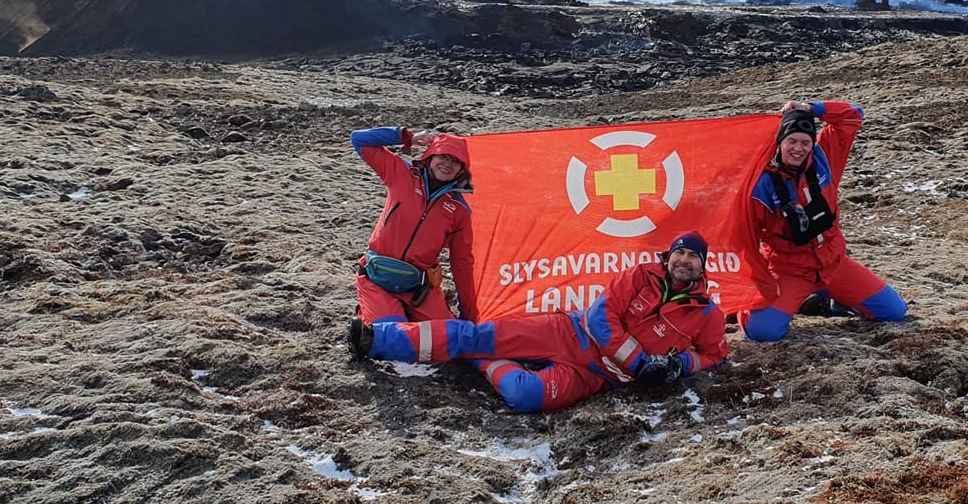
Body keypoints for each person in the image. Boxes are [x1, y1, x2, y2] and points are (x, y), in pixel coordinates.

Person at [348, 232, 729, 413]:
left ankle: (482, 359)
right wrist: (640, 365)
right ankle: (378, 340)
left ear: (702, 265)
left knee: (526, 397)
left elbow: (715, 353)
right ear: (668, 257)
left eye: (693, 257)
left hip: (597, 376)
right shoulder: (637, 276)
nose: (684, 261)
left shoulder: (707, 313)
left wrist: (680, 365)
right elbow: (601, 317)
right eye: (679, 253)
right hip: (567, 330)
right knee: (474, 333)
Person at [741, 100, 907, 341]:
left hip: (834, 264)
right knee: (760, 332)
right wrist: (753, 286)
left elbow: (853, 116)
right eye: (792, 141)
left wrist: (813, 108)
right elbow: (745, 238)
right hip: (790, 272)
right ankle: (751, 307)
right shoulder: (759, 185)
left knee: (894, 312)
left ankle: (835, 300)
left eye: (805, 142)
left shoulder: (825, 158)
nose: (798, 149)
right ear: (780, 142)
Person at [348, 125, 478, 325]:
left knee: (445, 336)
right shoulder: (402, 173)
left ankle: (390, 314)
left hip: (418, 286)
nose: (447, 164)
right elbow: (359, 138)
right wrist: (406, 137)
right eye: (443, 156)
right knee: (391, 332)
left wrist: (469, 315)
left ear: (462, 170)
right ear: (431, 156)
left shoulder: (459, 210)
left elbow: (462, 264)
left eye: (456, 161)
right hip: (376, 276)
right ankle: (368, 315)